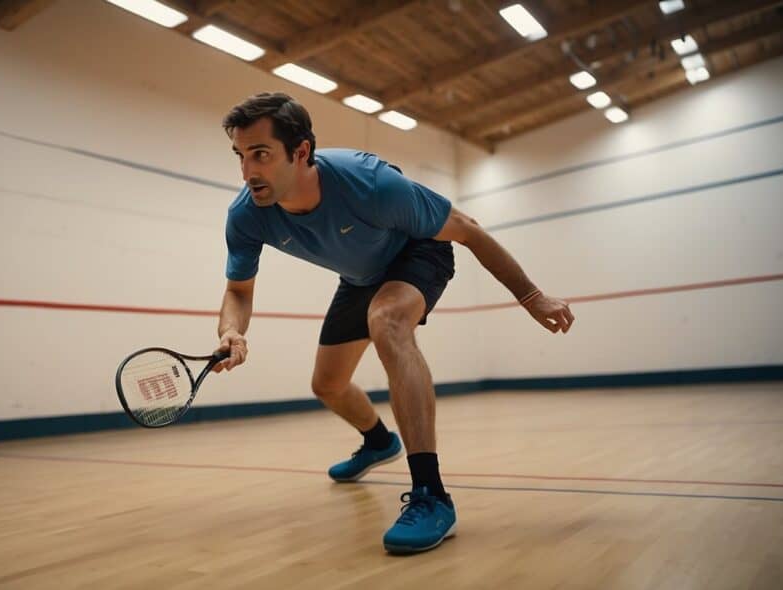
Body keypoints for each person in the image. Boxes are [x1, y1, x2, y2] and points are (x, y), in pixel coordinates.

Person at [213, 92, 574, 554]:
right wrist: (231, 329)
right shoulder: (247, 215)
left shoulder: (371, 185)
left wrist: (532, 296)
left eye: (260, 154)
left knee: (387, 321)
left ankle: (432, 495)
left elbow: (467, 228)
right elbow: (238, 291)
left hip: (418, 252)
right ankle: (379, 442)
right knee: (327, 385)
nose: (247, 173)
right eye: (240, 157)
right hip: (360, 277)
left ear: (301, 152)